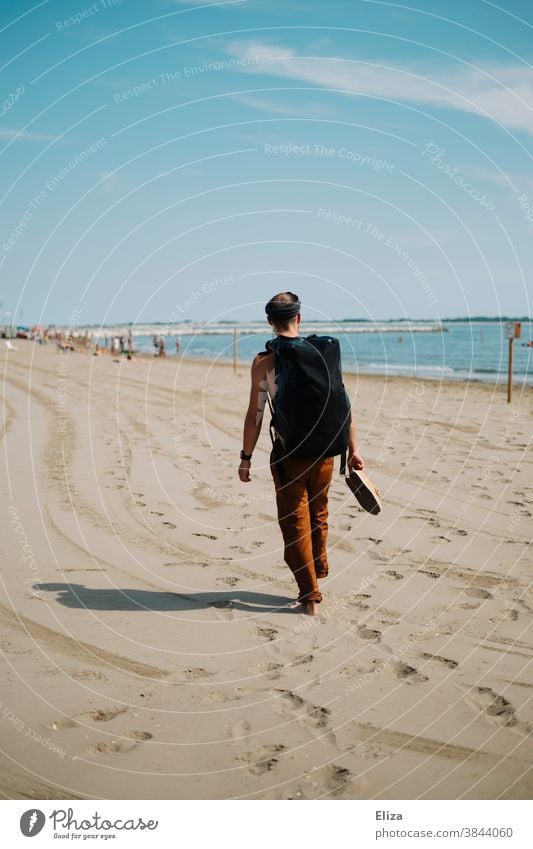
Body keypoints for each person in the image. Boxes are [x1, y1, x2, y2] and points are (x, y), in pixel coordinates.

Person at [238, 292, 365, 616]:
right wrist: (353, 449)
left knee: (294, 523)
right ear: (300, 318)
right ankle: (319, 566)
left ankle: (310, 595)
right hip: (325, 453)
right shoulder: (323, 354)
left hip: (288, 456)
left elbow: (256, 414)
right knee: (319, 512)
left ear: (269, 322)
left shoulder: (264, 363)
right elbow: (344, 405)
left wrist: (246, 457)